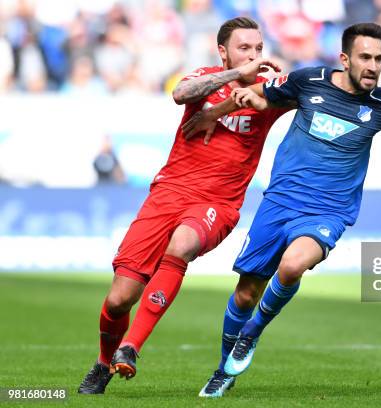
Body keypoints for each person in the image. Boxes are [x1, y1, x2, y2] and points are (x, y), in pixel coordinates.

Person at [193, 22, 381, 398]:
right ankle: (223, 370)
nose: (373, 66)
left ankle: (251, 334)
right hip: (280, 202)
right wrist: (215, 114)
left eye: (379, 58)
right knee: (246, 293)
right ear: (345, 58)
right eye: (365, 57)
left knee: (293, 264)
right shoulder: (308, 82)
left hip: (329, 211)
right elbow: (261, 96)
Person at [77, 16, 289, 395]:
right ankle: (102, 362)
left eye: (258, 48)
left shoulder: (269, 91)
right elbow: (181, 93)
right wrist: (235, 76)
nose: (254, 55)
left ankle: (132, 347)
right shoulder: (205, 76)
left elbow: (313, 89)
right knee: (119, 298)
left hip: (217, 203)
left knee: (184, 244)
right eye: (244, 48)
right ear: (223, 52)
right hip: (168, 193)